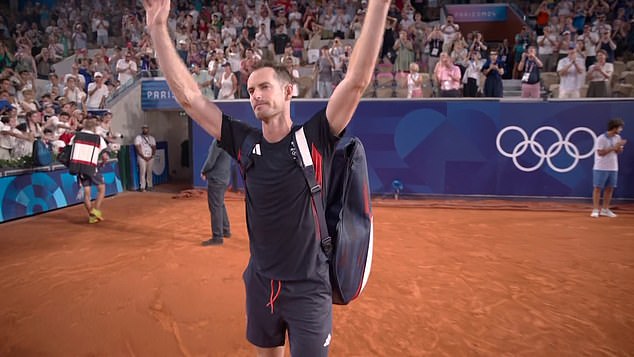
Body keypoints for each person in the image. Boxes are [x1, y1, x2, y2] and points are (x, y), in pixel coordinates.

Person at [143, 0, 389, 355]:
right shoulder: (245, 142)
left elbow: (357, 81)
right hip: (261, 283)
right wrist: (157, 29)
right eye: (251, 90)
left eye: (264, 87)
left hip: (309, 288)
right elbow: (191, 99)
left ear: (289, 91)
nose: (255, 94)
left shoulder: (315, 137)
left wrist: (378, 5)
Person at [73, 117, 109, 224]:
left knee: (87, 193)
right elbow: (105, 156)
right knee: (101, 188)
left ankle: (91, 216)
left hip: (79, 168)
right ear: (93, 127)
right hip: (92, 167)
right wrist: (103, 162)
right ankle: (96, 211)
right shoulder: (97, 138)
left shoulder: (76, 136)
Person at [591, 118, 626, 218]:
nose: (621, 130)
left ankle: (605, 210)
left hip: (613, 167)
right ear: (614, 128)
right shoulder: (601, 138)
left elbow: (618, 152)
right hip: (600, 167)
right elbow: (600, 153)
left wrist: (619, 148)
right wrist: (614, 147)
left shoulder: (618, 138)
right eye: (620, 128)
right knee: (598, 188)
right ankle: (595, 209)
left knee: (609, 189)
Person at [200, 139, 232, 246]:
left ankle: (217, 236)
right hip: (224, 178)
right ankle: (226, 230)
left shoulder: (217, 141)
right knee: (220, 203)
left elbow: (210, 160)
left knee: (215, 207)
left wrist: (204, 171)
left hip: (216, 179)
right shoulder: (228, 141)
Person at [134, 124, 156, 192]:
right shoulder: (138, 138)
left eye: (146, 128)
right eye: (144, 128)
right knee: (142, 172)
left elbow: (154, 147)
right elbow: (137, 147)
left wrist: (152, 156)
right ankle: (142, 187)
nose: (145, 129)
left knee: (149, 172)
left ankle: (149, 185)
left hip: (150, 157)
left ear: (148, 129)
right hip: (142, 157)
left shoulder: (152, 138)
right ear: (142, 129)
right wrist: (143, 156)